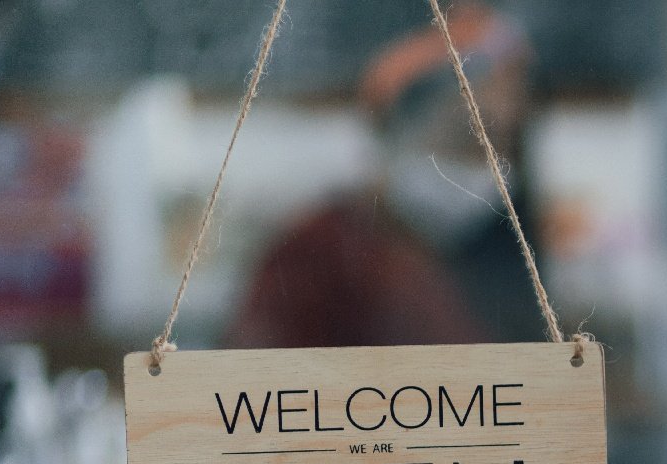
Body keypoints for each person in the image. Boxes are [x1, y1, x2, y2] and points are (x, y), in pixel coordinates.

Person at [228, 5, 542, 348]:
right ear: (397, 132)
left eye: (504, 146)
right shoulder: (318, 253)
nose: (487, 165)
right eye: (467, 138)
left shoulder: (495, 255)